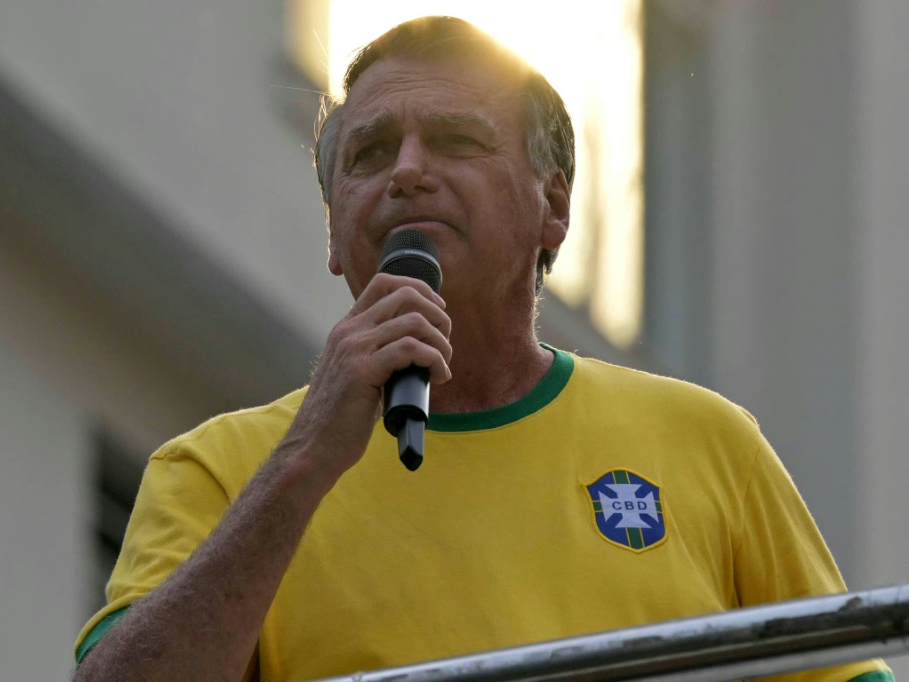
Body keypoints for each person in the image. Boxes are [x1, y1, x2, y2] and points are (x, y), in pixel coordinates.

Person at [73, 16, 893, 682]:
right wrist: (304, 460)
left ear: (554, 209)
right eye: (369, 153)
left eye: (456, 141)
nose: (406, 172)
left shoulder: (708, 444)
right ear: (333, 229)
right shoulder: (218, 472)